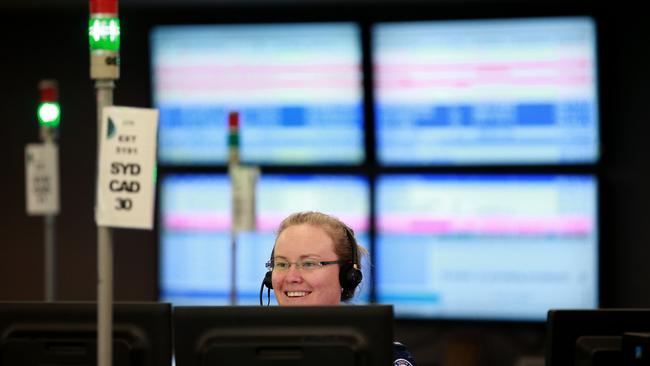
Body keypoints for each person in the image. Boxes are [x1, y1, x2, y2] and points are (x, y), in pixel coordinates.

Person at [262, 211, 418, 366]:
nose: (291, 277)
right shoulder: (245, 349)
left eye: (309, 264)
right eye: (282, 264)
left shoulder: (382, 357)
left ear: (347, 275)